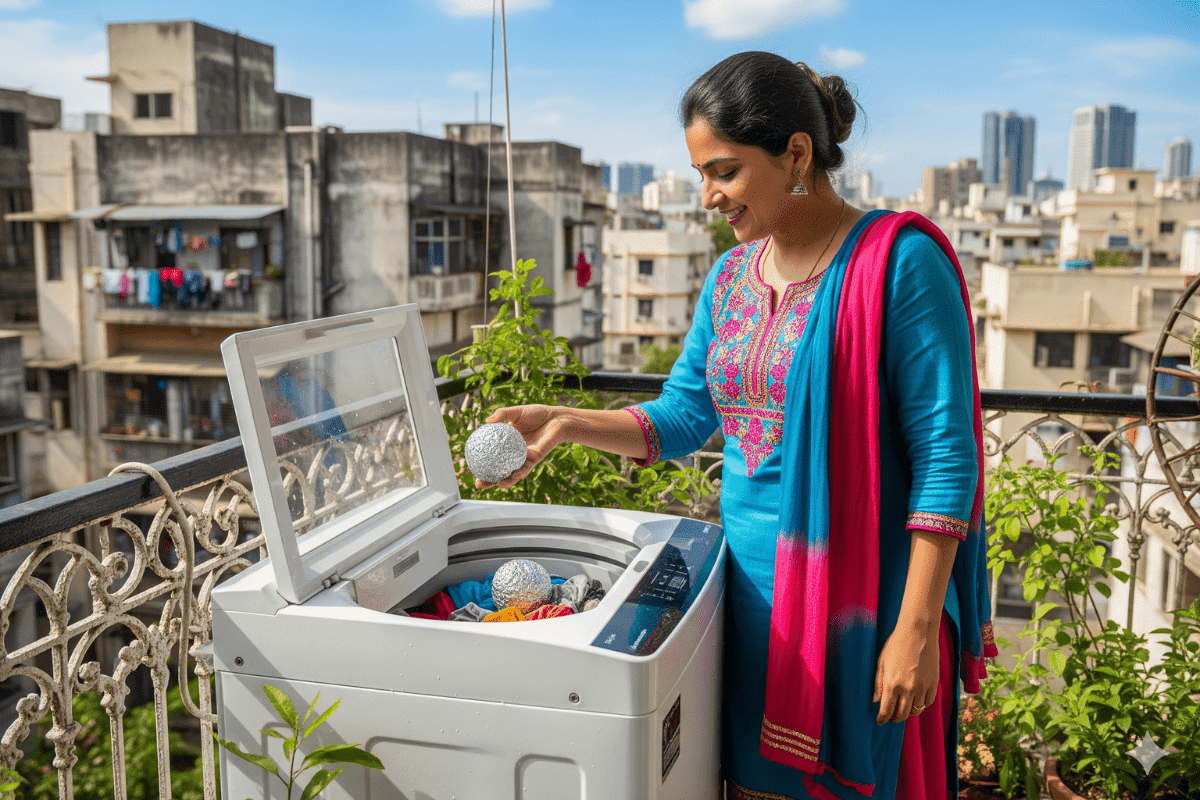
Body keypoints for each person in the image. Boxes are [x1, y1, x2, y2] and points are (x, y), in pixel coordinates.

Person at [475, 51, 997, 800]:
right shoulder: (731, 277)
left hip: (864, 605)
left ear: (795, 153)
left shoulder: (899, 264)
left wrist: (915, 630)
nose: (709, 197)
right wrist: (563, 421)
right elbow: (685, 415)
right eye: (699, 176)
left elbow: (948, 457)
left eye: (723, 171)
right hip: (742, 599)